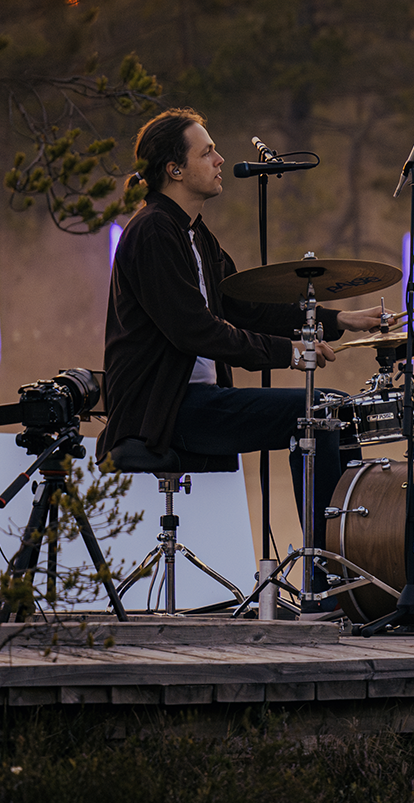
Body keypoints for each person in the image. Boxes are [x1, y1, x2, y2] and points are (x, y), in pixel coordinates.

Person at [98, 110, 390, 527]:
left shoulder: (196, 234)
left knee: (334, 412)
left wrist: (339, 319)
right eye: (208, 152)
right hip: (164, 413)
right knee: (323, 410)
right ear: (175, 169)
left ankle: (342, 559)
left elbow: (243, 307)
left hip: (197, 404)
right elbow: (193, 330)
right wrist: (287, 353)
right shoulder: (152, 232)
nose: (220, 161)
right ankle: (326, 574)